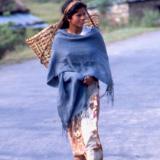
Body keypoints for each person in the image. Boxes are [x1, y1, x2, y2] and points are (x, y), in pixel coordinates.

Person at [47, 0, 113, 160]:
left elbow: (102, 61)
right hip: (70, 93)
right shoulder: (60, 39)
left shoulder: (94, 35)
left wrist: (94, 75)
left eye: (85, 13)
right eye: (79, 15)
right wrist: (75, 76)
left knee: (90, 134)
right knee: (77, 141)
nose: (84, 17)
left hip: (91, 91)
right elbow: (57, 70)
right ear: (69, 18)